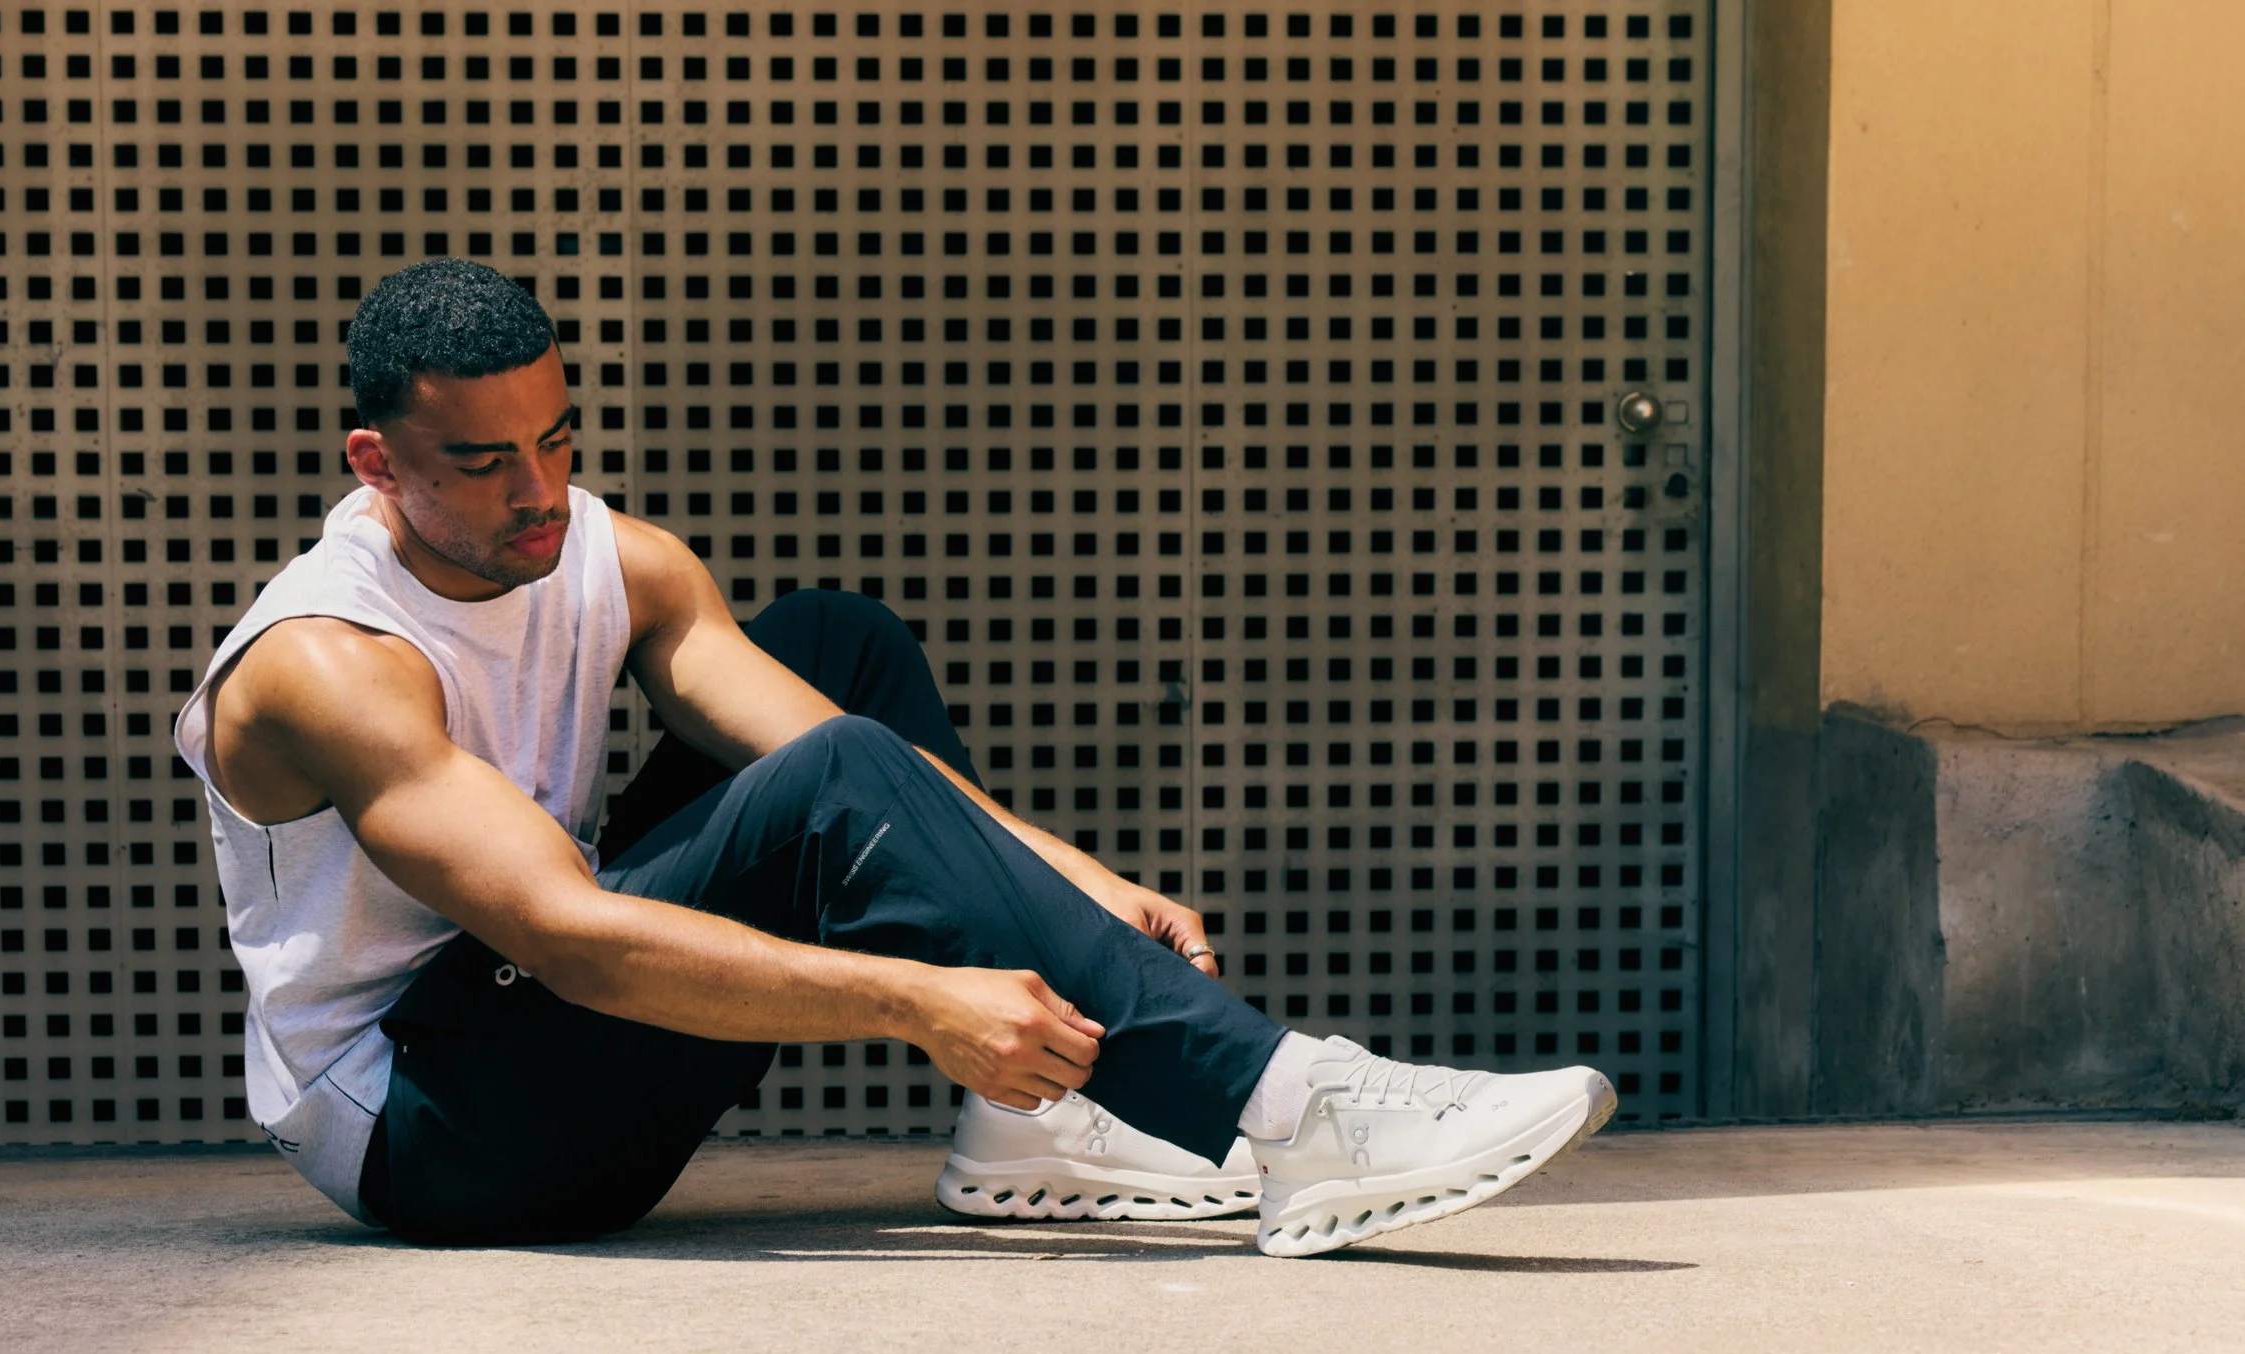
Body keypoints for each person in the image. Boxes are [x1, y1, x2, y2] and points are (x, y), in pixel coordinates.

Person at [173, 260, 1617, 1259]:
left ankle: (1027, 1125)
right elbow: (571, 941)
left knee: (835, 647)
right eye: (484, 463)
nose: (540, 491)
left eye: (556, 439)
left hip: (545, 1042)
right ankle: (1297, 1112)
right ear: (375, 463)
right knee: (829, 782)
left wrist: (1081, 879)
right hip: (441, 1137)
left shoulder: (612, 557)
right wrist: (919, 1001)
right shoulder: (328, 665)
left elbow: (819, 735)